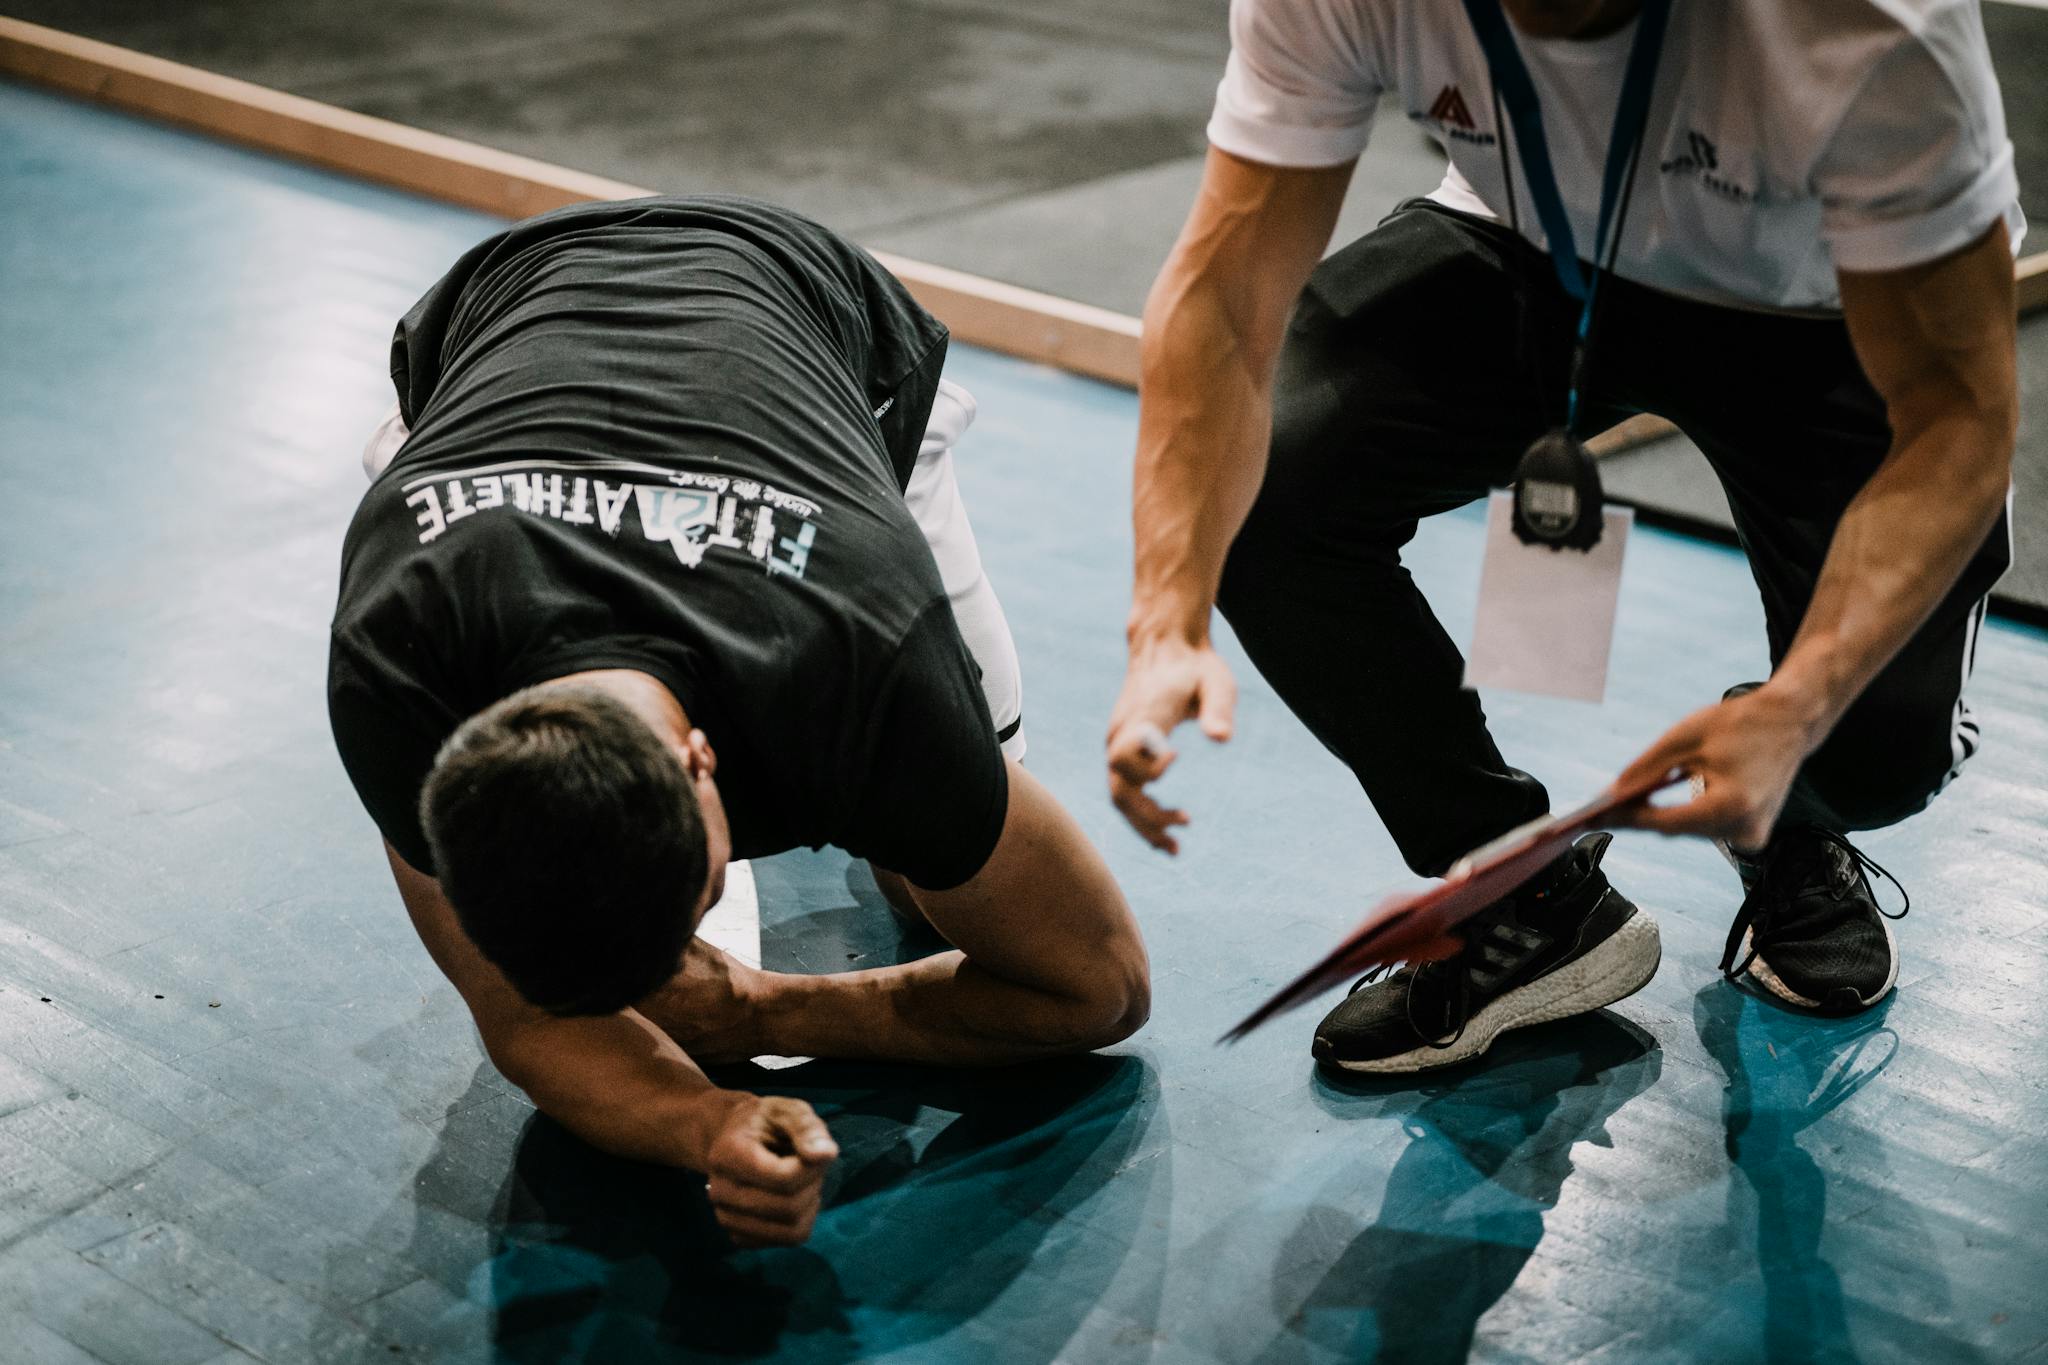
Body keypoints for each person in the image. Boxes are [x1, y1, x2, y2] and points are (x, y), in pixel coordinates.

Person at [1106, 0, 2019, 1071]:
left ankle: (1792, 805)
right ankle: (1523, 904)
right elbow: (1221, 291)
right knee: (1271, 484)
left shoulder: (1866, 27)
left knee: (1875, 759)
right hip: (1534, 245)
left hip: (1822, 302)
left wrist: (1798, 703)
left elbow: (1956, 418)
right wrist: (1165, 616)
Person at [329, 196, 1149, 1247]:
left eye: (697, 899)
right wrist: (704, 1119)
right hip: (497, 306)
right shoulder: (395, 674)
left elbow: (1100, 989)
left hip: (799, 291)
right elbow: (526, 1016)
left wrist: (764, 1010)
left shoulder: (864, 667)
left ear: (702, 760)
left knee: (920, 885)